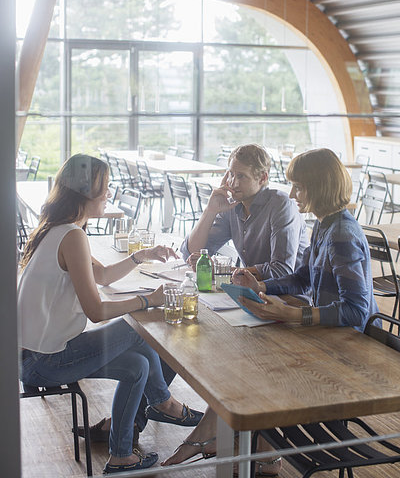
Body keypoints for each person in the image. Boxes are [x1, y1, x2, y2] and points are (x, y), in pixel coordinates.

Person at [163, 148, 379, 475]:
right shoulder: (326, 225)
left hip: (347, 352)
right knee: (245, 355)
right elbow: (303, 278)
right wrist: (261, 288)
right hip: (329, 337)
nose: (294, 193)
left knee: (254, 361)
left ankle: (247, 449)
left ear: (320, 187)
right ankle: (248, 448)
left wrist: (295, 316)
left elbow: (356, 311)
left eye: (300, 187)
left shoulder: (342, 233)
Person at [18, 154, 203, 475]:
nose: (109, 193)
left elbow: (101, 277)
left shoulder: (59, 229)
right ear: (84, 192)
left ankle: (121, 456)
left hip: (33, 357)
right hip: (45, 361)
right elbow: (97, 310)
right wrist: (149, 299)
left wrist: (140, 256)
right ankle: (163, 402)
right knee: (140, 326)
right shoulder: (72, 236)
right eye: (104, 187)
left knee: (138, 366)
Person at [181, 144, 309, 281]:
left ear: (262, 178)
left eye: (241, 176)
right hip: (253, 292)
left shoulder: (281, 205)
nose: (233, 183)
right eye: (231, 174)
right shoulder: (233, 205)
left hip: (288, 298)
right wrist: (210, 211)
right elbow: (191, 253)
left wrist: (221, 271)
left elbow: (281, 271)